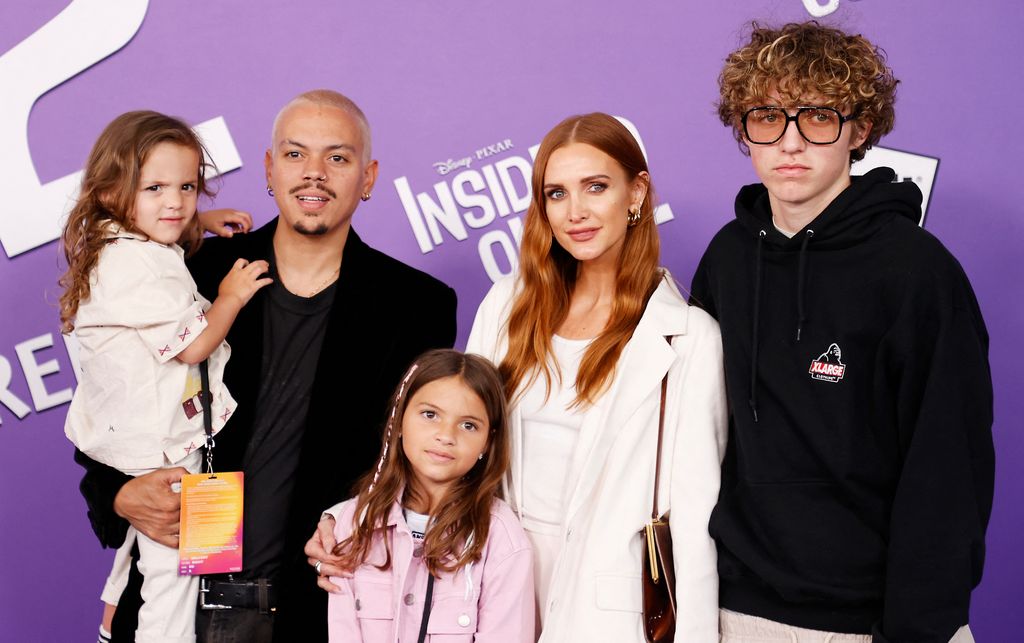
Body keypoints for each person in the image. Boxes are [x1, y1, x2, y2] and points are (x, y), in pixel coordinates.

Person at [73, 90, 458, 643]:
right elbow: (112, 401)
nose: (314, 174)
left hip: (321, 608)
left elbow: (421, 459)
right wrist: (115, 496)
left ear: (368, 177)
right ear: (269, 169)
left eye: (339, 158)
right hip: (182, 597)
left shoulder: (416, 306)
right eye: (296, 154)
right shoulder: (190, 273)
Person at [691, 21, 994, 643]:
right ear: (743, 130)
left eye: (819, 116)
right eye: (768, 116)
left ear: (859, 131)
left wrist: (919, 627)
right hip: (736, 608)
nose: (791, 141)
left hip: (875, 618)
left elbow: (947, 471)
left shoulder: (916, 271)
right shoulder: (728, 258)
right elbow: (696, 436)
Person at [469, 113, 727, 641]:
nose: (576, 212)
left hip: (608, 612)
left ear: (636, 192)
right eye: (556, 194)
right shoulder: (506, 306)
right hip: (491, 592)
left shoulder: (687, 336)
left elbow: (696, 520)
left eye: (596, 186)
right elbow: (451, 450)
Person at [60, 110, 272, 643]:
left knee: (168, 542)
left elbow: (159, 236)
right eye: (154, 187)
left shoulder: (121, 244)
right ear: (111, 192)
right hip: (163, 443)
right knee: (179, 575)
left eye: (187, 187)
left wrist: (199, 222)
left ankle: (113, 606)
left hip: (139, 435)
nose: (175, 202)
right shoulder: (137, 266)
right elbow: (197, 345)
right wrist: (231, 296)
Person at [319, 349, 534, 642]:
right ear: (398, 421)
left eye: (468, 425)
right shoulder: (353, 524)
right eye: (430, 415)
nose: (446, 435)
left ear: (488, 441)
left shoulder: (501, 537)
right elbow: (343, 630)